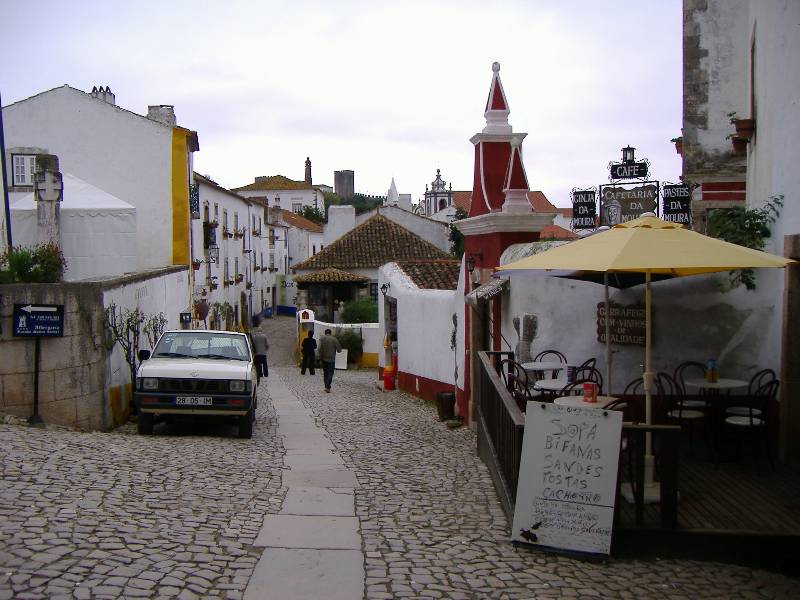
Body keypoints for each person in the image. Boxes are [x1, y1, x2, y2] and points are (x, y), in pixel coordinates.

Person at [318, 328, 342, 393]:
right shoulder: (334, 339)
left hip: (323, 359)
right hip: (331, 359)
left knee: (325, 373)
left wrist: (320, 357)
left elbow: (319, 348)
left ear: (325, 333)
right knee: (330, 373)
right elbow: (339, 350)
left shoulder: (322, 339)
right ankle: (328, 386)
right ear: (330, 333)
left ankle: (326, 386)